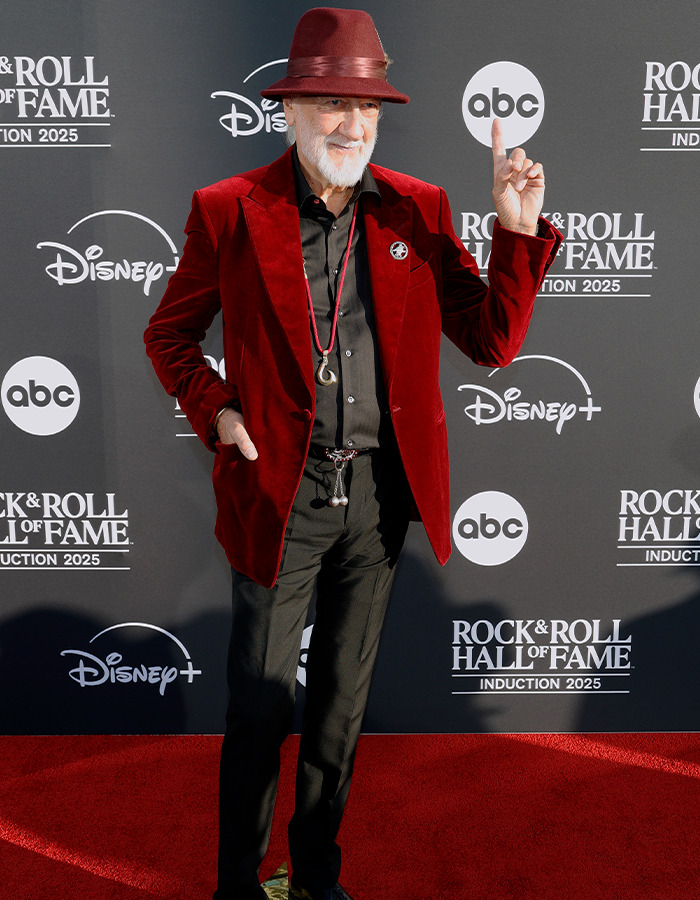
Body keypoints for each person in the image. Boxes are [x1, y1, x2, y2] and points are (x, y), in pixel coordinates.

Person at [144, 8, 562, 900]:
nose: (352, 124)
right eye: (332, 103)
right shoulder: (228, 211)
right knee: (260, 709)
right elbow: (170, 335)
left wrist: (516, 231)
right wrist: (216, 411)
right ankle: (236, 884)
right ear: (288, 109)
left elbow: (490, 343)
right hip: (276, 493)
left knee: (339, 707)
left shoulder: (421, 207)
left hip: (378, 499)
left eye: (366, 107)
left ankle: (316, 877)